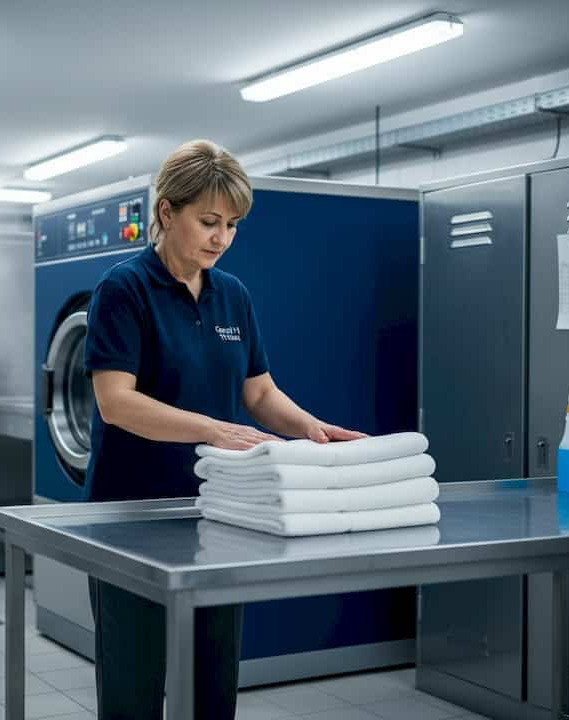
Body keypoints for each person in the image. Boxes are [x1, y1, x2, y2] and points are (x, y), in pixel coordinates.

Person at [83, 139, 367, 719]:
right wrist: (214, 429)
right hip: (133, 513)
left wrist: (314, 428)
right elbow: (117, 403)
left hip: (219, 510)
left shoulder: (231, 294)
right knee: (134, 683)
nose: (222, 237)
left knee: (214, 681)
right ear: (167, 212)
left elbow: (258, 392)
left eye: (233, 225)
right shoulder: (125, 288)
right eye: (209, 221)